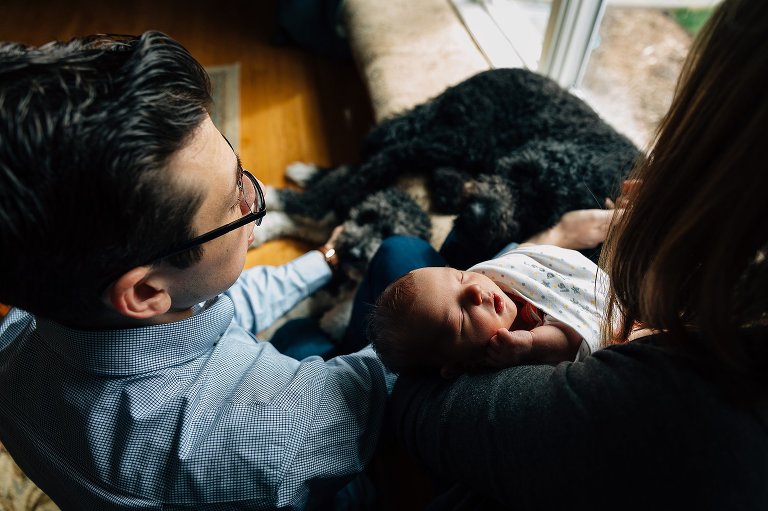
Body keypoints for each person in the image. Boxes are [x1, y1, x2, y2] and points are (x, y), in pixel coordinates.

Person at [388, 0, 768, 508]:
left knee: (401, 253)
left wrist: (544, 249)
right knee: (411, 265)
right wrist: (550, 243)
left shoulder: (676, 401)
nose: (477, 288)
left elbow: (411, 401)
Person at [0, 32, 394, 510]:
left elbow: (200, 305)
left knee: (306, 332)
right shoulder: (274, 432)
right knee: (401, 256)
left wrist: (326, 259)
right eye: (235, 205)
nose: (254, 200)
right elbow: (402, 372)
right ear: (145, 291)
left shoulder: (18, 329)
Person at [369, 244, 607, 378]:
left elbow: (528, 255)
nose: (475, 289)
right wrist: (531, 345)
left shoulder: (501, 278)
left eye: (460, 276)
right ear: (459, 365)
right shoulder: (503, 357)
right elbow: (574, 338)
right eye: (461, 317)